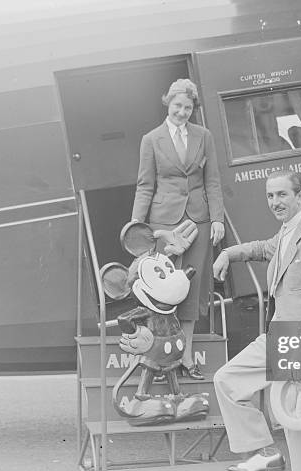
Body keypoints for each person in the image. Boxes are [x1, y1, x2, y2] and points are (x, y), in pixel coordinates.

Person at [212, 169, 301, 471]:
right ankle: (263, 449)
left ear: (300, 196)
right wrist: (229, 254)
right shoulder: (286, 233)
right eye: (270, 196)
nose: (275, 202)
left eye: (282, 195)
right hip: (277, 336)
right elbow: (262, 248)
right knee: (227, 379)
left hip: (298, 339)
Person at [131, 78, 225, 380]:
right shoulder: (151, 139)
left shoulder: (204, 136)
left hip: (197, 222)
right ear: (167, 104)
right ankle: (159, 358)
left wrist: (217, 219)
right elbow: (145, 185)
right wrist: (137, 228)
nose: (182, 112)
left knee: (191, 289)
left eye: (187, 107)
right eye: (177, 106)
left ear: (193, 108)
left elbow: (212, 181)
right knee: (162, 292)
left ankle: (184, 356)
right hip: (163, 223)